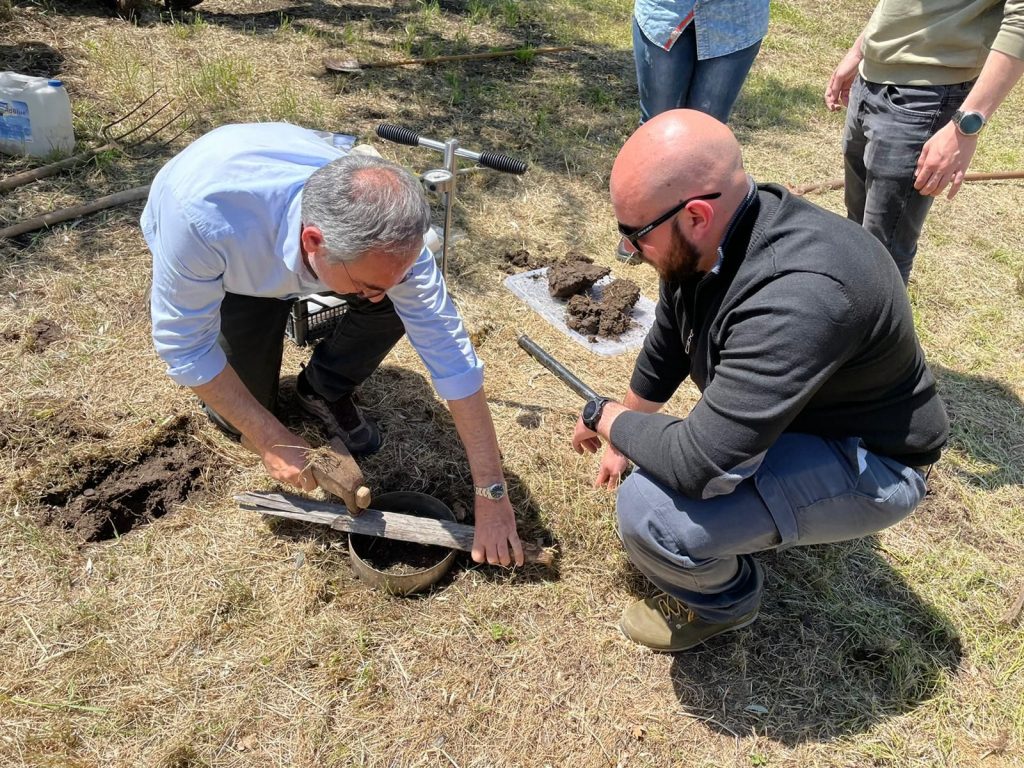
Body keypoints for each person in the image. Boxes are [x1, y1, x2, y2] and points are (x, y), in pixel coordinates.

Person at [571, 110, 949, 652]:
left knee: (649, 512)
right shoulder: (728, 230)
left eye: (634, 236)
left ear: (697, 214)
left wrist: (603, 415)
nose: (627, 252)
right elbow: (672, 330)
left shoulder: (800, 296)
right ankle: (768, 506)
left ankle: (726, 603)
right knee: (659, 455)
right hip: (805, 421)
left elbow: (699, 466)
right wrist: (629, 424)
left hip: (873, 460)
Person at [143, 122, 524, 567]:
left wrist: (492, 491)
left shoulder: (392, 232)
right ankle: (265, 326)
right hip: (234, 269)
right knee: (240, 415)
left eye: (393, 278)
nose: (385, 290)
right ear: (314, 243)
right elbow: (185, 347)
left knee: (393, 301)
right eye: (370, 283)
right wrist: (269, 437)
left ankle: (322, 385)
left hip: (325, 253)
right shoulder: (202, 221)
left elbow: (452, 356)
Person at [825, 0, 1024, 284]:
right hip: (870, 77)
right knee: (857, 232)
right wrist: (860, 50)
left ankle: (872, 327)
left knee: (884, 252)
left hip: (925, 96)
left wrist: (965, 127)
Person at [619, 0, 768, 263]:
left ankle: (697, 238)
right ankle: (640, 229)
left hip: (736, 17)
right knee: (656, 128)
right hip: (666, 12)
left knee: (706, 138)